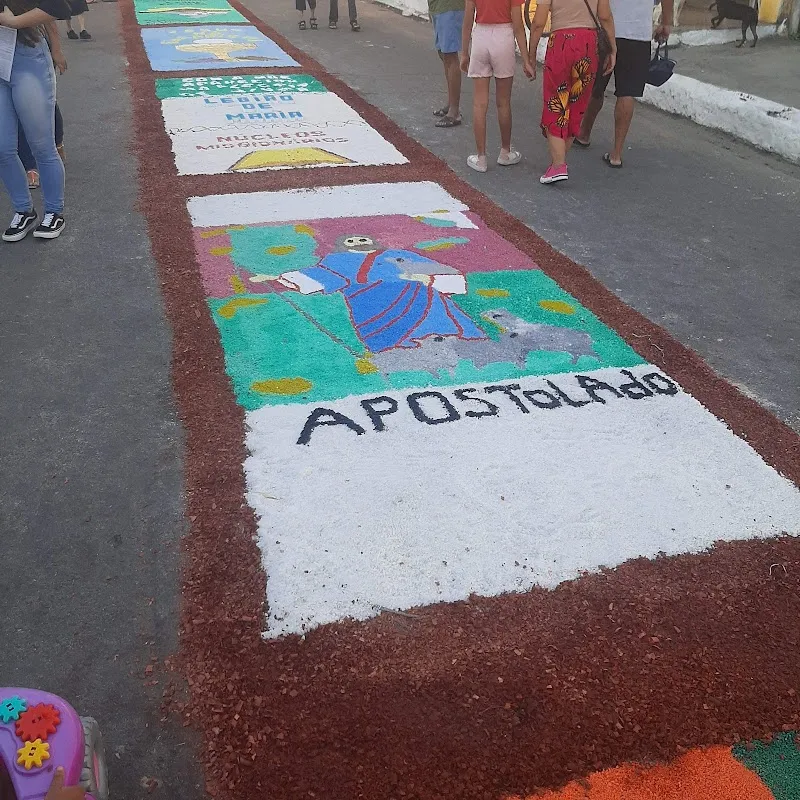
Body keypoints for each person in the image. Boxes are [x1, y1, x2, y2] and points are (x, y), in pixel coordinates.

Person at [0, 0, 71, 242]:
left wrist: (13, 22)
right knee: (2, 148)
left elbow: (56, 7)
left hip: (26, 57)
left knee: (41, 145)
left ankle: (54, 211)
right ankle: (24, 210)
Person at [575, 0, 672, 166]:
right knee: (627, 91)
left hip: (607, 28)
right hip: (638, 35)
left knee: (597, 86)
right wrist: (666, 22)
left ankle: (584, 134)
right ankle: (616, 154)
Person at [528, 0, 615, 183]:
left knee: (557, 103)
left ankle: (559, 165)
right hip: (588, 45)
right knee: (576, 104)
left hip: (561, 44)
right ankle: (557, 164)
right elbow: (605, 16)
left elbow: (537, 23)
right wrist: (612, 49)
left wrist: (531, 55)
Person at [460, 0, 534, 173]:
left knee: (479, 103)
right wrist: (526, 59)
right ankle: (505, 152)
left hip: (480, 37)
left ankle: (481, 158)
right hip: (504, 37)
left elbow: (468, 18)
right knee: (503, 102)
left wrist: (464, 53)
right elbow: (518, 25)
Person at [20, 18, 65, 189]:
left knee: (46, 103)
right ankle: (30, 166)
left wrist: (56, 50)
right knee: (16, 111)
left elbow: (48, 13)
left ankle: (58, 142)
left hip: (32, 44)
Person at [429, 0, 464, 128]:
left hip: (449, 6)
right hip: (438, 6)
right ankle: (451, 104)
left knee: (450, 55)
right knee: (444, 54)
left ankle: (454, 112)